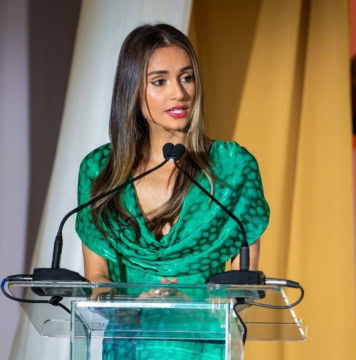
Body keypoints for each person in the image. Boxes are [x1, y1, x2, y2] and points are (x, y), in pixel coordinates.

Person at [76, 23, 269, 360]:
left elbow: (244, 283)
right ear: (132, 90)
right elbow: (98, 280)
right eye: (160, 81)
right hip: (128, 345)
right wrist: (130, 302)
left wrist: (192, 302)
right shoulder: (99, 172)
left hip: (204, 346)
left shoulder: (233, 168)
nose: (179, 93)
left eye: (187, 77)